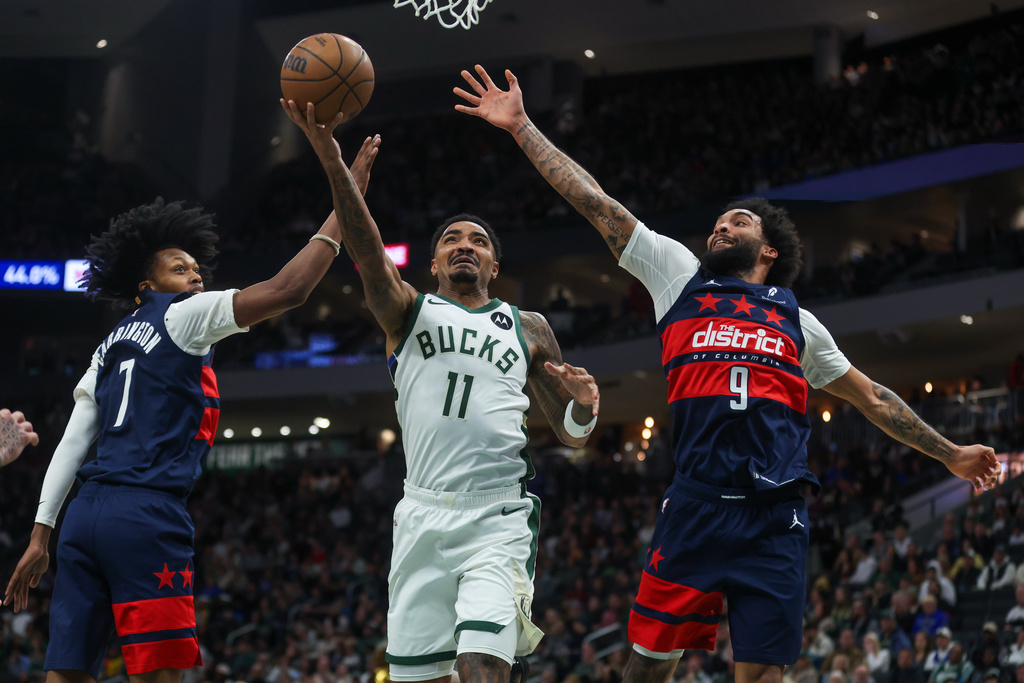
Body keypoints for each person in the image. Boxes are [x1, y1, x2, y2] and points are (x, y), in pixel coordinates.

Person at [453, 63, 999, 683]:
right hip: (697, 504)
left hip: (775, 514)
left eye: (738, 221)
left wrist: (951, 452)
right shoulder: (678, 277)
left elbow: (874, 399)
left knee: (763, 674)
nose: (722, 224)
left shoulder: (801, 324)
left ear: (768, 250)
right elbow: (596, 204)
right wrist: (522, 126)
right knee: (645, 667)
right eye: (720, 219)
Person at [3, 129, 377, 683]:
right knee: (163, 673)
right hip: (144, 514)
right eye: (180, 268)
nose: (195, 276)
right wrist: (346, 200)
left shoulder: (107, 347)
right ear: (145, 286)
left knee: (67, 673)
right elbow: (288, 290)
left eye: (196, 269)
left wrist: (41, 535)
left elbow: (73, 444)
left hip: (84, 517)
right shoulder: (180, 314)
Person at [280, 99, 601, 683]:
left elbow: (572, 436)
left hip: (498, 515)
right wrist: (335, 165)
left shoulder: (528, 327)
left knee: (482, 666)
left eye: (478, 241)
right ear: (432, 264)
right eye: (452, 239)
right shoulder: (407, 311)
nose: (464, 245)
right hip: (422, 514)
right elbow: (367, 250)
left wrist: (583, 406)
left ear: (494, 265)